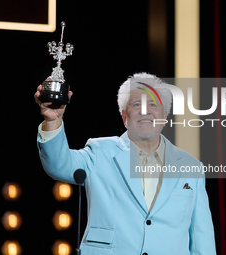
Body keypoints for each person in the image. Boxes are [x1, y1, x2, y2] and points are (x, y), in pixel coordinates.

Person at [35, 73, 216, 255]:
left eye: (153, 104)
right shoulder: (99, 152)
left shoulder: (191, 166)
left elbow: (202, 240)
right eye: (137, 104)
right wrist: (53, 120)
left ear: (165, 116)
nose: (145, 111)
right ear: (124, 116)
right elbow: (59, 165)